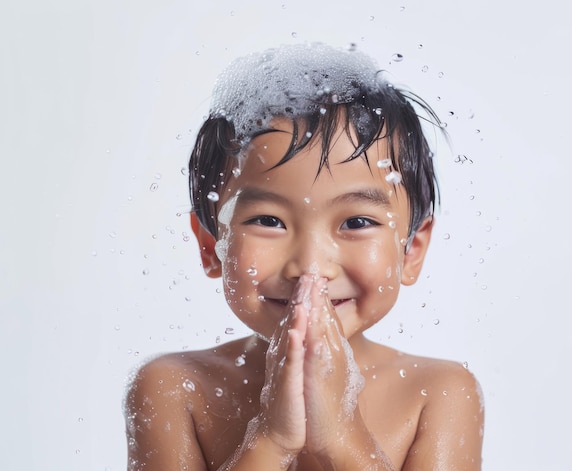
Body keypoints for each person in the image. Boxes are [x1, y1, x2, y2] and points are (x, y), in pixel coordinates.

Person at [125, 43, 484, 470]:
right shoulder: (175, 388)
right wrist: (271, 440)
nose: (311, 265)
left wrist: (342, 437)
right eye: (268, 221)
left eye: (356, 223)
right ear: (211, 246)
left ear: (411, 251)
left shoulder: (439, 393)